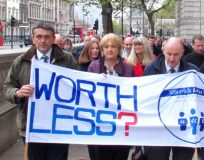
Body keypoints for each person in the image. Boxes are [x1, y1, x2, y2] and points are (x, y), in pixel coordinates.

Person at [3, 21, 78, 160]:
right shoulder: (21, 61)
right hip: (32, 126)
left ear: (53, 39)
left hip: (58, 126)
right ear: (33, 38)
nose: (42, 41)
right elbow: (7, 87)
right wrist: (17, 93)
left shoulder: (67, 59)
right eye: (39, 36)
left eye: (47, 37)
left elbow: (79, 85)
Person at [143, 37, 198, 160]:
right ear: (163, 51)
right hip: (158, 127)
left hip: (183, 125)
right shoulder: (151, 69)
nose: (172, 58)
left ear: (182, 53)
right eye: (169, 54)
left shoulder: (192, 71)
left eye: (176, 54)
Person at [87, 33, 134, 160]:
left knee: (120, 155)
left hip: (120, 121)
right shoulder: (94, 66)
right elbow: (87, 93)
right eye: (106, 47)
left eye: (113, 46)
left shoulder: (128, 68)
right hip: (99, 121)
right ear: (102, 50)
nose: (109, 49)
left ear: (119, 49)